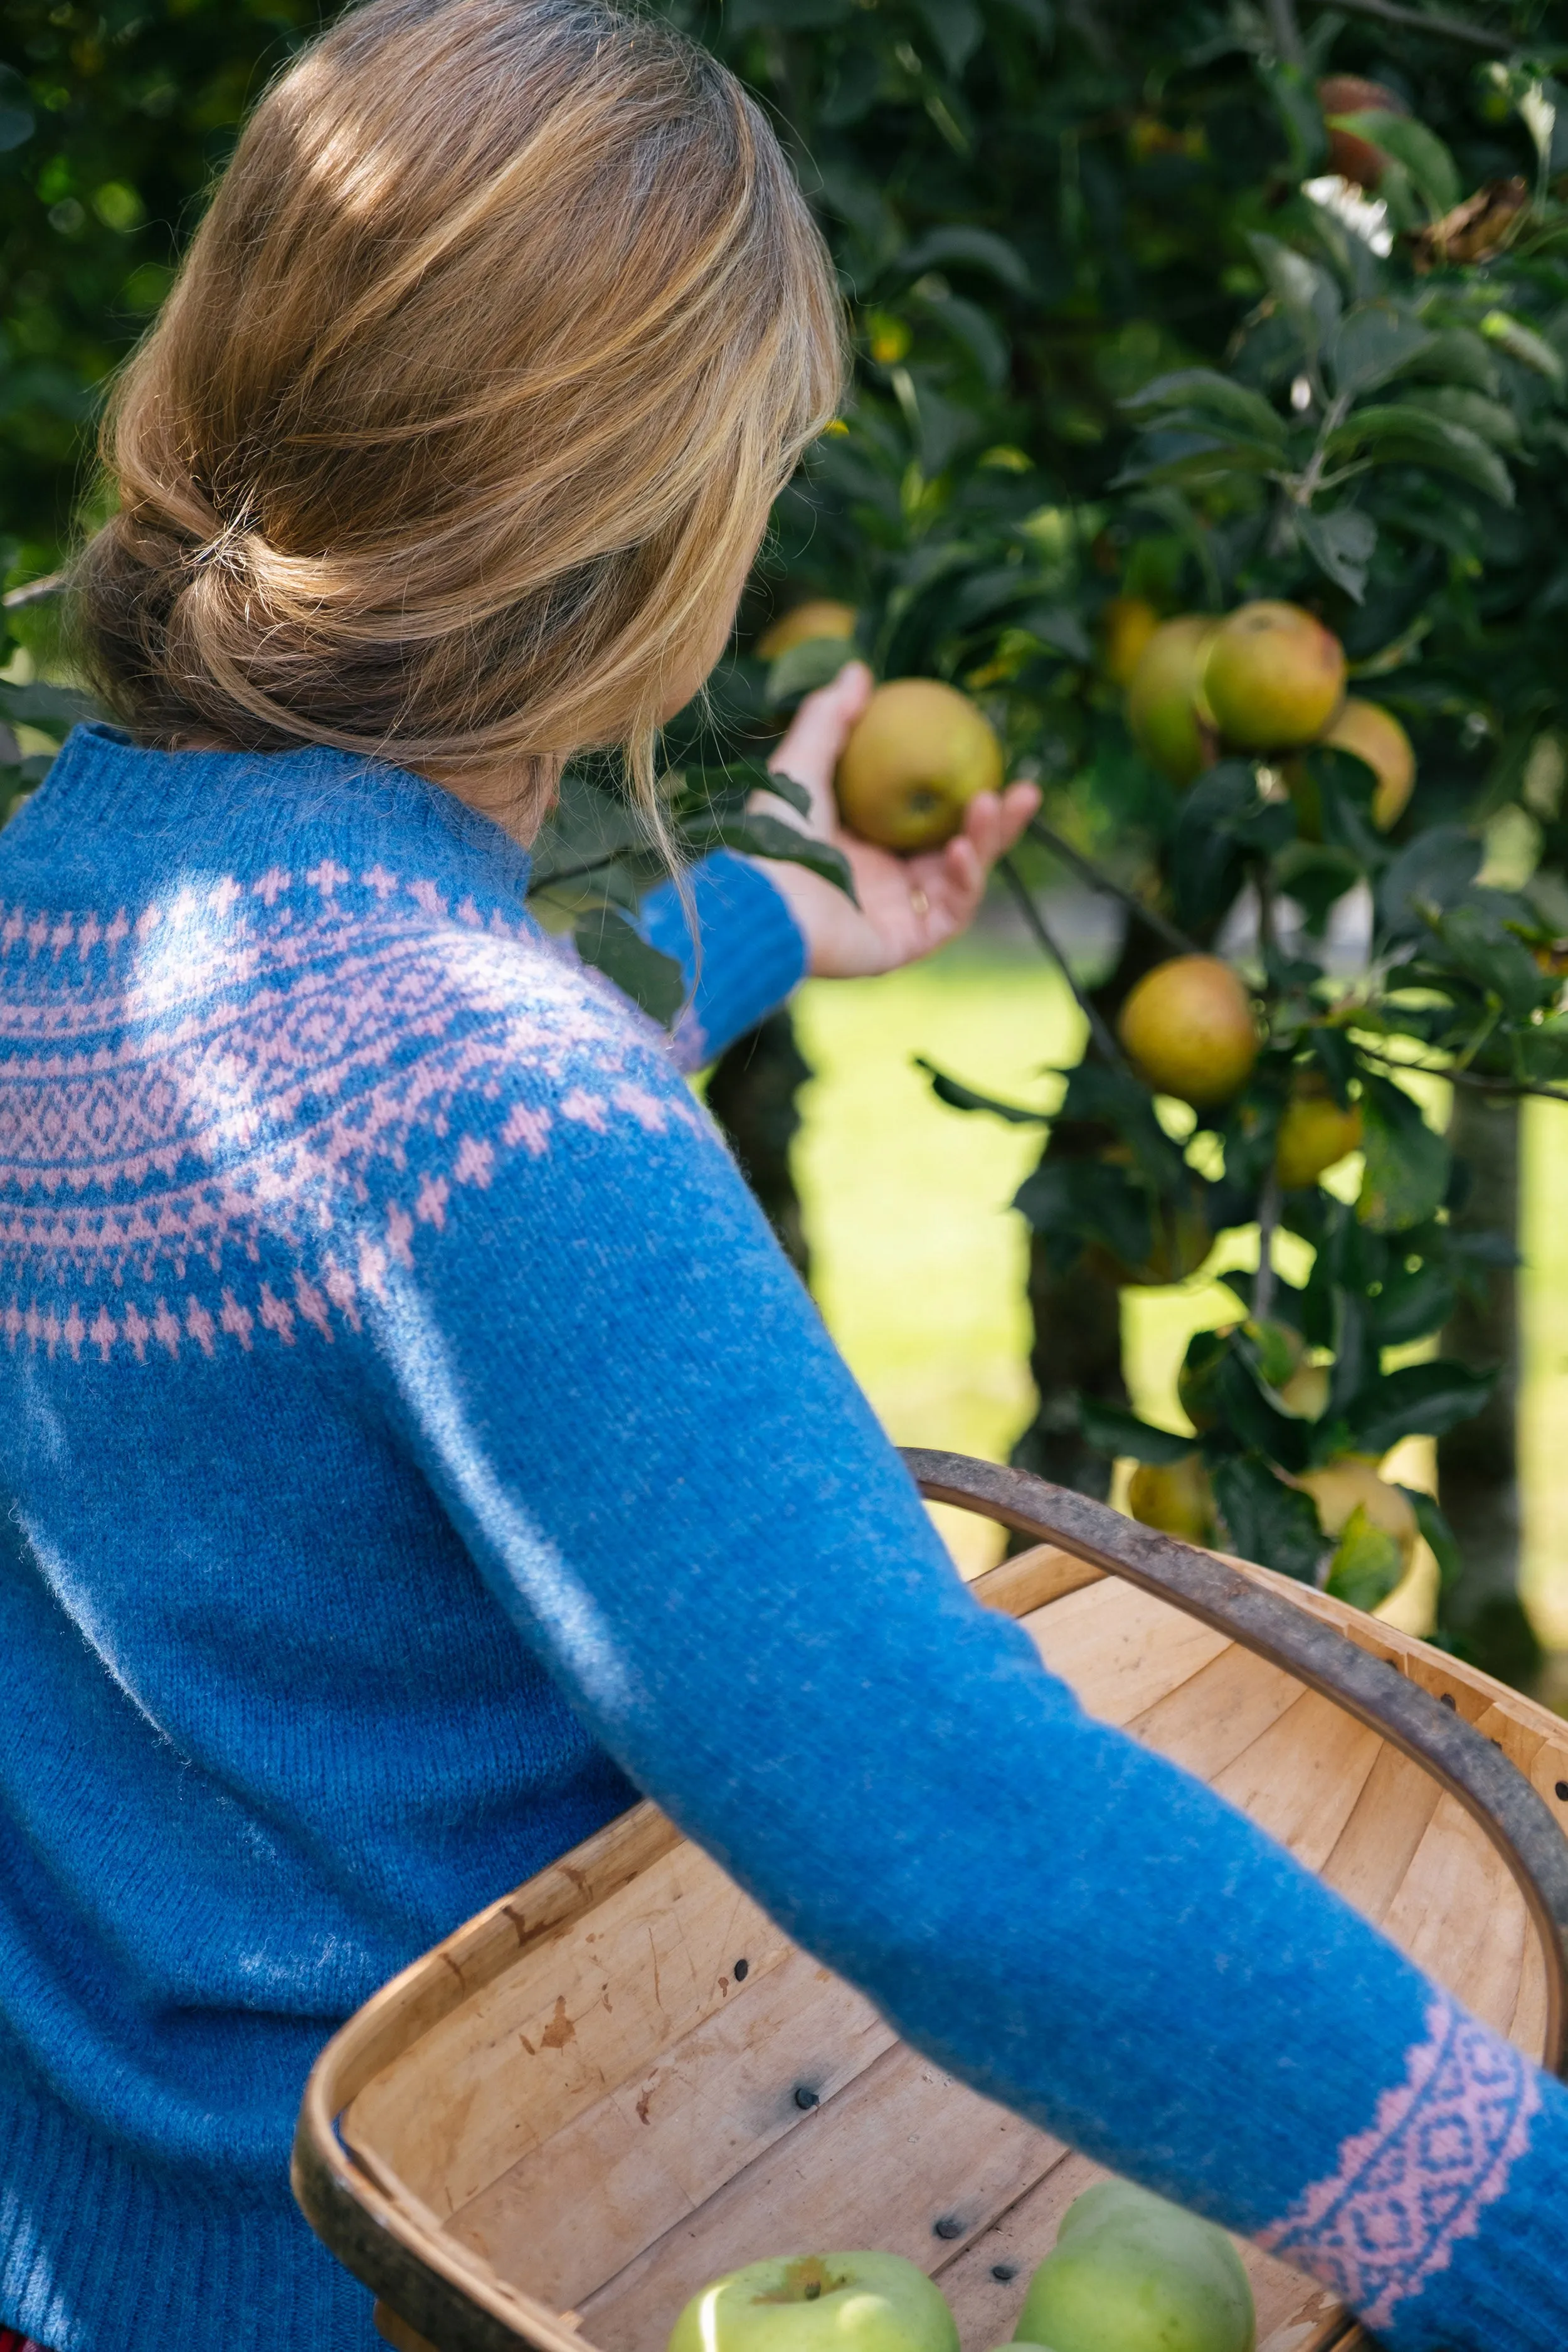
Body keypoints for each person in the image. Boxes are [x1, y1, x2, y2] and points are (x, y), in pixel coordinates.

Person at [0, 3, 1562, 2348]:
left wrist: (764, 904)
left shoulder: (70, 899)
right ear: (645, 528)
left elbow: (337, 1205)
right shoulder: (496, 1118)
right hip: (456, 2275)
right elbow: (943, 1832)